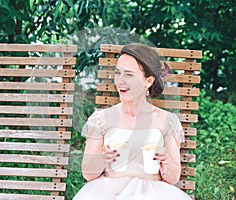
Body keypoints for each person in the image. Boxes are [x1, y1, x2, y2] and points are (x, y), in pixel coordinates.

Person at [73, 43, 192, 200]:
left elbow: (173, 177)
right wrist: (102, 158)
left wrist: (166, 163)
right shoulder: (101, 119)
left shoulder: (167, 121)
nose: (120, 81)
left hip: (154, 194)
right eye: (118, 73)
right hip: (108, 193)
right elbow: (88, 173)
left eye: (129, 75)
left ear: (148, 81)